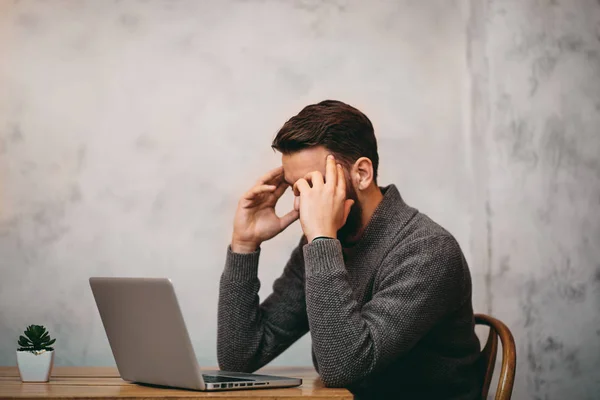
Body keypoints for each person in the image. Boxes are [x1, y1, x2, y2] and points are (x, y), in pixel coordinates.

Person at [217, 100, 481, 399]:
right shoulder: (326, 243)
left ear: (362, 174)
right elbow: (239, 358)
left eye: (316, 185)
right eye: (297, 189)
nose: (302, 204)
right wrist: (244, 245)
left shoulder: (428, 251)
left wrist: (321, 241)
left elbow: (343, 367)